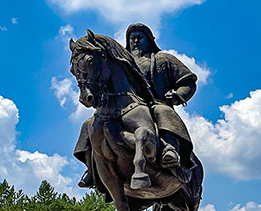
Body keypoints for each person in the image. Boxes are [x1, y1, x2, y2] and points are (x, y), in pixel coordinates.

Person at [74, 23, 198, 187]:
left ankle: (170, 149)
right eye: (132, 38)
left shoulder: (163, 59)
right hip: (123, 108)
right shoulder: (121, 62)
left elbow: (189, 82)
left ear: (149, 40)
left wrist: (177, 96)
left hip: (154, 103)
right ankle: (92, 169)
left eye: (140, 37)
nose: (136, 41)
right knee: (88, 124)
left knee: (163, 111)